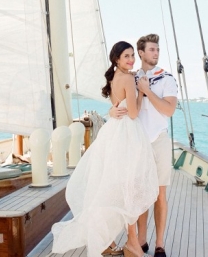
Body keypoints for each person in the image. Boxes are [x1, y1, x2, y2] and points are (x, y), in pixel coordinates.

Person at [51, 41, 158, 257]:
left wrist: (114, 108)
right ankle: (131, 241)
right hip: (128, 133)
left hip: (113, 132)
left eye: (132, 56)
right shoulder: (128, 78)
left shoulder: (113, 77)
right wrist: (141, 93)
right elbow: (135, 113)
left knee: (112, 185)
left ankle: (118, 240)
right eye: (126, 56)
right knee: (130, 185)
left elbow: (117, 105)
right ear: (116, 59)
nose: (130, 60)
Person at [111, 34, 177, 257]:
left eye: (157, 49)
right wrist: (111, 111)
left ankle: (159, 244)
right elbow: (119, 102)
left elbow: (169, 110)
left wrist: (147, 91)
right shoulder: (130, 76)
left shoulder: (167, 78)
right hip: (136, 144)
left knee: (159, 194)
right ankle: (141, 241)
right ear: (141, 53)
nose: (156, 53)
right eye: (151, 50)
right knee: (138, 194)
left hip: (158, 141)